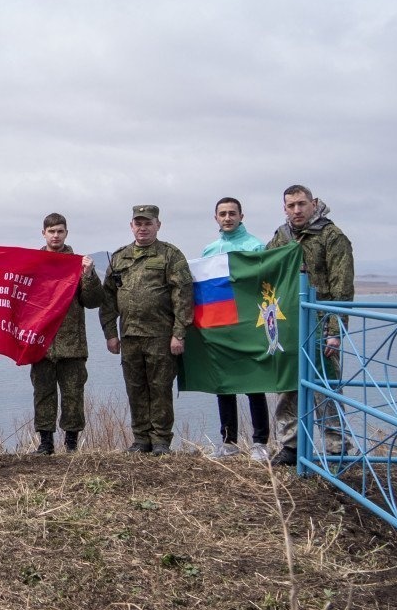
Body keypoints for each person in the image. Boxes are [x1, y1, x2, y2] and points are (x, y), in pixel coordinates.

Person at [265, 185, 354, 467]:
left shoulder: (332, 236)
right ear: (284, 208)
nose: (297, 210)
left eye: (301, 204)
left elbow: (342, 288)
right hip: (289, 324)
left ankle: (336, 447)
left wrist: (335, 332)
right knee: (288, 386)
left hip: (320, 324)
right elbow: (266, 270)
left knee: (325, 387)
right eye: (291, 206)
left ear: (313, 204)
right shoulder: (281, 236)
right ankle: (290, 446)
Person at [100, 205, 194, 456]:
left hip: (161, 336)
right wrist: (111, 333)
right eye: (138, 223)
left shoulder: (170, 255)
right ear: (131, 226)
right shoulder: (119, 257)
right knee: (136, 388)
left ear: (158, 225)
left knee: (160, 388)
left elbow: (183, 295)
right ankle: (141, 438)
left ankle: (161, 440)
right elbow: (108, 298)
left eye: (148, 223)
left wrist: (179, 332)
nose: (142, 228)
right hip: (130, 336)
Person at [200, 197, 270, 462]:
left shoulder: (256, 246)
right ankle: (228, 442)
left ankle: (260, 442)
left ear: (242, 216)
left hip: (250, 324)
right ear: (215, 218)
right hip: (220, 326)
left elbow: (265, 284)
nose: (227, 218)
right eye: (222, 214)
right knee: (225, 384)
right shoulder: (209, 251)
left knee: (255, 383)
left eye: (232, 213)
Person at [30, 213, 103, 454]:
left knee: (73, 396)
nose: (55, 235)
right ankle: (46, 443)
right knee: (43, 395)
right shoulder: (33, 264)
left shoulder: (78, 264)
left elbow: (92, 301)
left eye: (60, 231)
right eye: (51, 231)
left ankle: (71, 444)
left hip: (72, 344)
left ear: (66, 233)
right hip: (41, 343)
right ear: (43, 233)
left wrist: (89, 275)